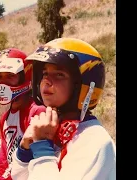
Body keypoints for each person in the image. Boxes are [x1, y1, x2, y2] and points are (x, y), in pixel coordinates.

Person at [11, 37, 116, 180]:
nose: (46, 81)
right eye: (44, 74)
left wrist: (42, 149)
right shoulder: (53, 126)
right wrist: (25, 150)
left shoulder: (94, 141)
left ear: (82, 85)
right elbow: (19, 177)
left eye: (59, 74)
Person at [0, 48, 46, 180]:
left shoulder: (36, 112)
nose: (3, 83)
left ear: (25, 76)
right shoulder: (5, 119)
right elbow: (2, 158)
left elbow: (39, 162)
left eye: (10, 76)